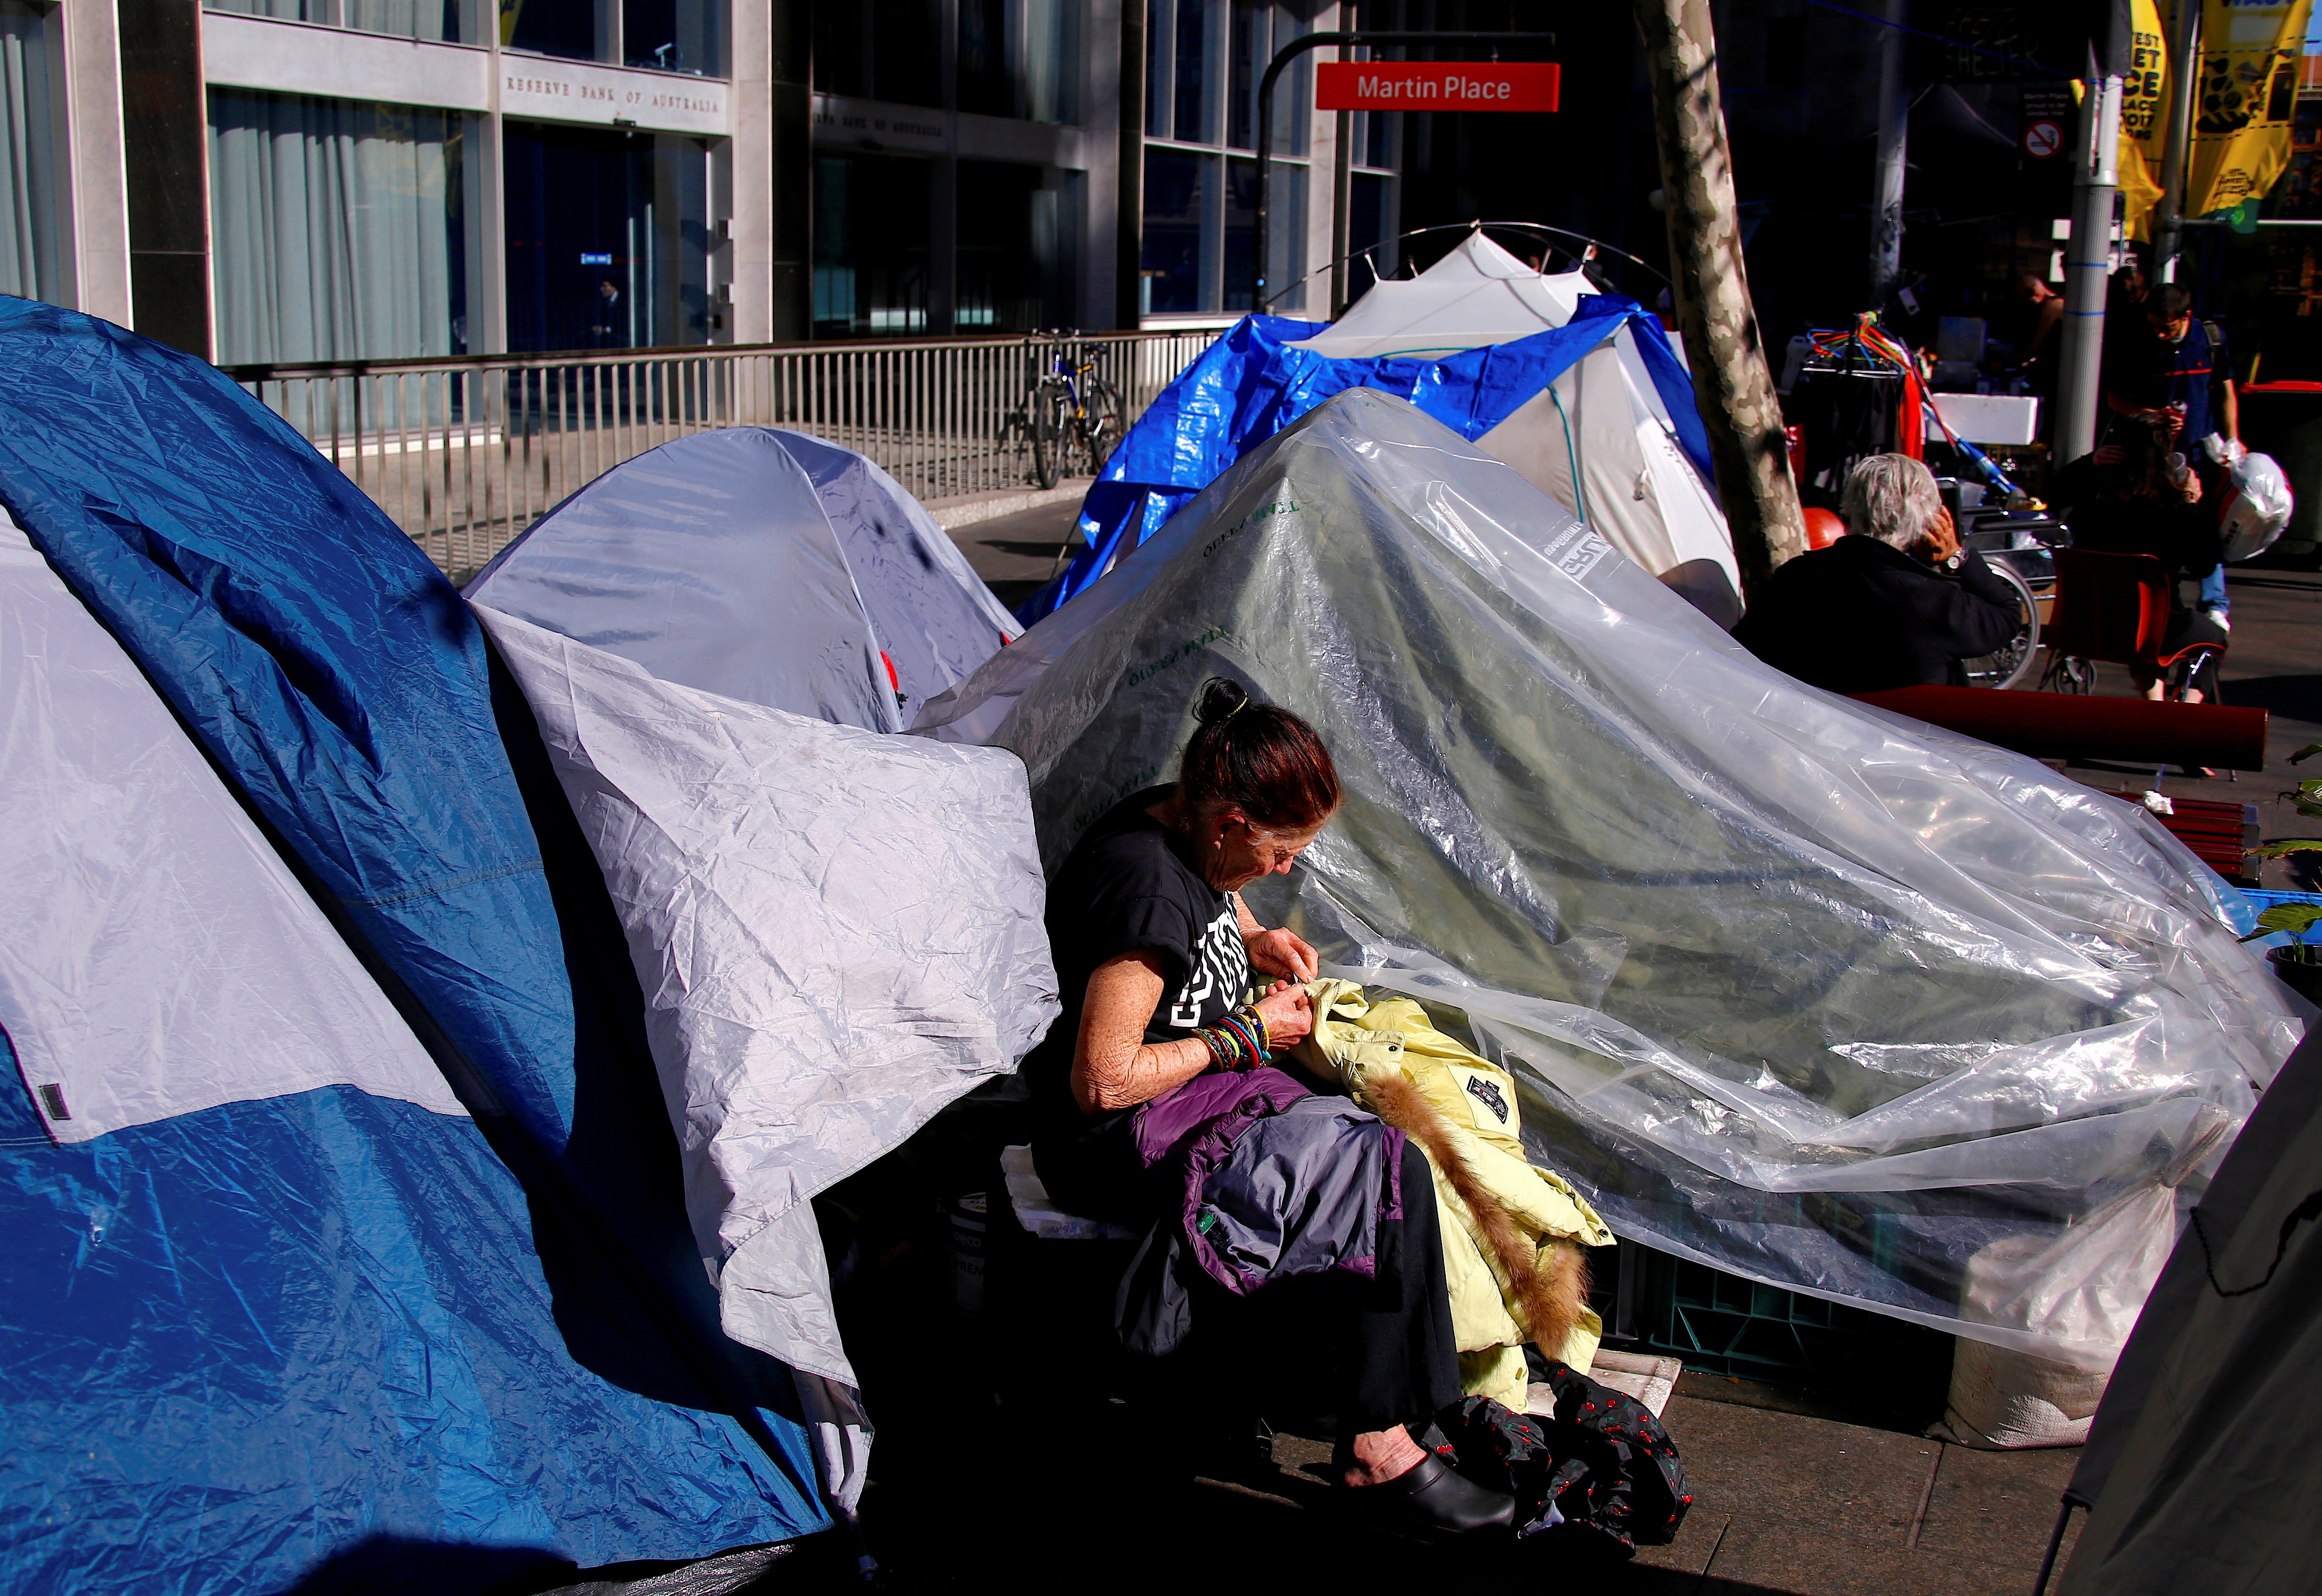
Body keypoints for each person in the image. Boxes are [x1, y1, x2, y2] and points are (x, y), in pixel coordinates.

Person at [1026, 678, 1513, 1535]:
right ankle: (1380, 1445)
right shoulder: (1143, 890)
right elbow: (1099, 1080)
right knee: (1371, 1165)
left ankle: (1387, 1413)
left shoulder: (1174, 816)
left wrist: (1251, 933)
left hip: (1201, 1099)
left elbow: (1213, 893)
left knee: (1386, 1142)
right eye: (1281, 851)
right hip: (1122, 1135)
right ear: (1230, 825)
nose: (1285, 870)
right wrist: (1246, 1032)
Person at [1732, 453, 2023, 693]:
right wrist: (1956, 558)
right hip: (1909, 749)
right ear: (1927, 521)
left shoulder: (1796, 577)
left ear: (1851, 505)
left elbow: (1744, 651)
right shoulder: (1933, 601)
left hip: (1807, 740)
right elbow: (2008, 615)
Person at [2063, 413, 2227, 701]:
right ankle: (2186, 708)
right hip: (2159, 628)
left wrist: (2089, 463)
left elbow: (2056, 489)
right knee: (2211, 636)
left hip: (2094, 625)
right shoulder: (2173, 511)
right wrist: (2191, 504)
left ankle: (2155, 705)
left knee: (2138, 619)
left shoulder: (2092, 507)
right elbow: (2205, 563)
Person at [2103, 282, 2239, 628]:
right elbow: (2115, 398)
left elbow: (2225, 390)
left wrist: (2233, 438)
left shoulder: (2210, 339)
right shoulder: (2140, 344)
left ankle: (2214, 601)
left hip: (2197, 449)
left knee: (2204, 521)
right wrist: (2148, 413)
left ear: (2186, 317)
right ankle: (2151, 597)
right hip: (2149, 456)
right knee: (2150, 525)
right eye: (2154, 327)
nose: (2161, 334)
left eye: (2168, 327)